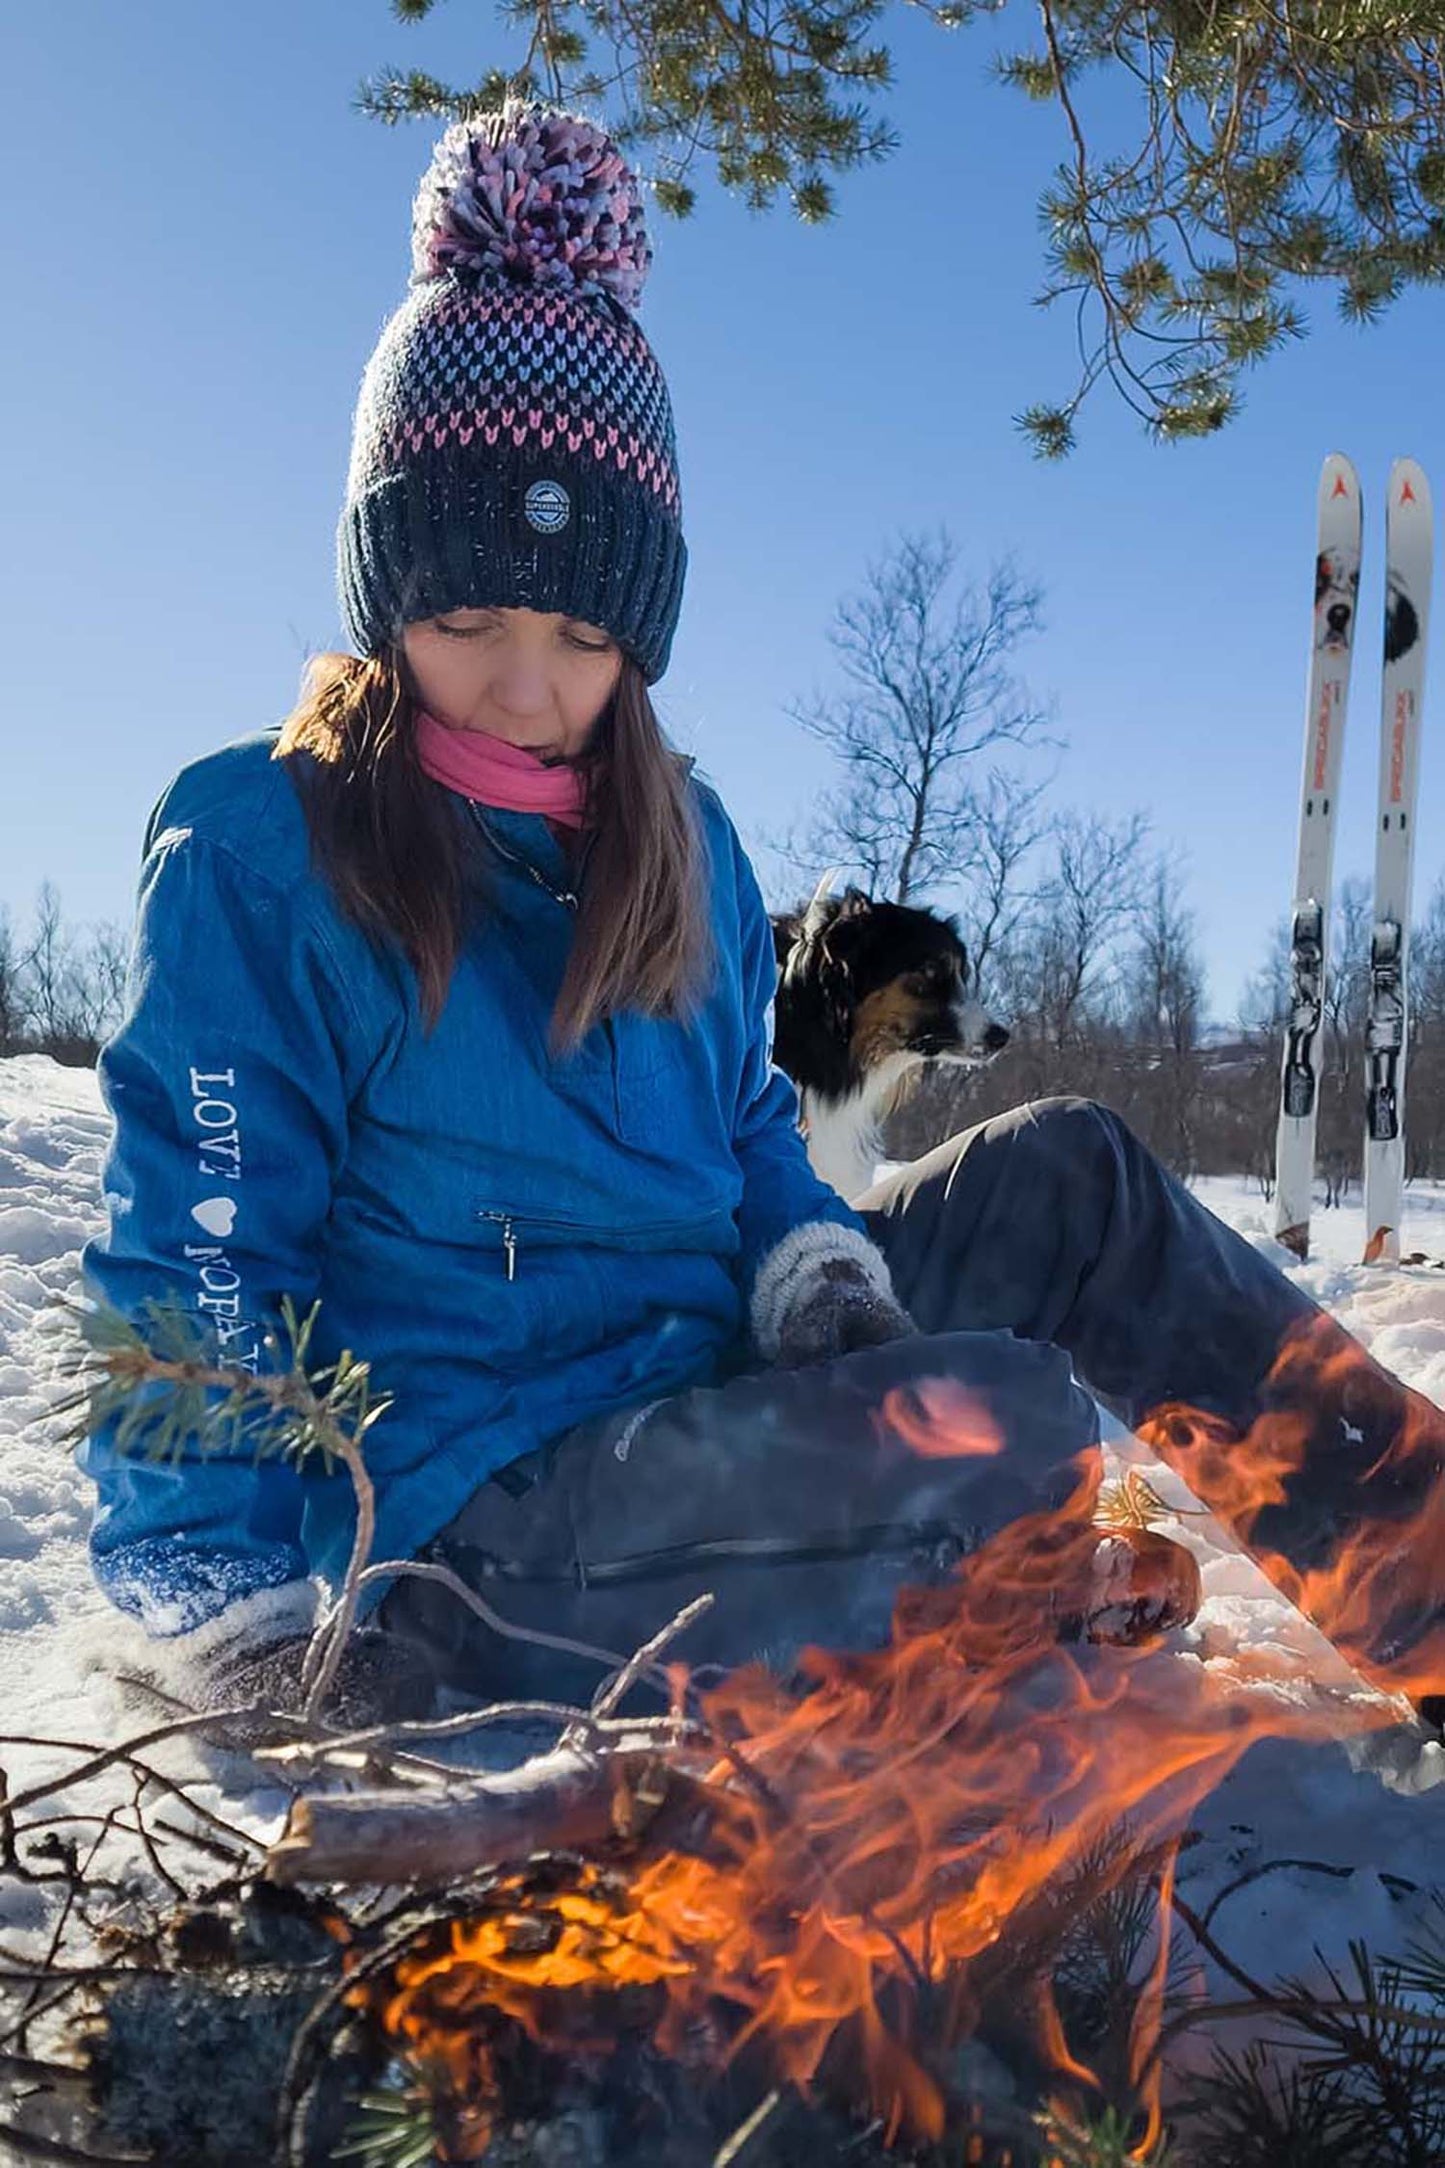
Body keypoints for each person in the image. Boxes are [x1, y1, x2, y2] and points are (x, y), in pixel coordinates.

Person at [79, 102, 1445, 1734]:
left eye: (584, 635)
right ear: (382, 595)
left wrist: (813, 1279)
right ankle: (995, 1632)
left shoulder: (685, 840)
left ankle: (1431, 1596)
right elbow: (200, 1262)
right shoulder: (269, 852)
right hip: (486, 1503)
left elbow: (743, 1129)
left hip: (716, 1383)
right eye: (463, 616)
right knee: (993, 1432)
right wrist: (232, 1623)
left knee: (1068, 1173)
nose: (527, 687)